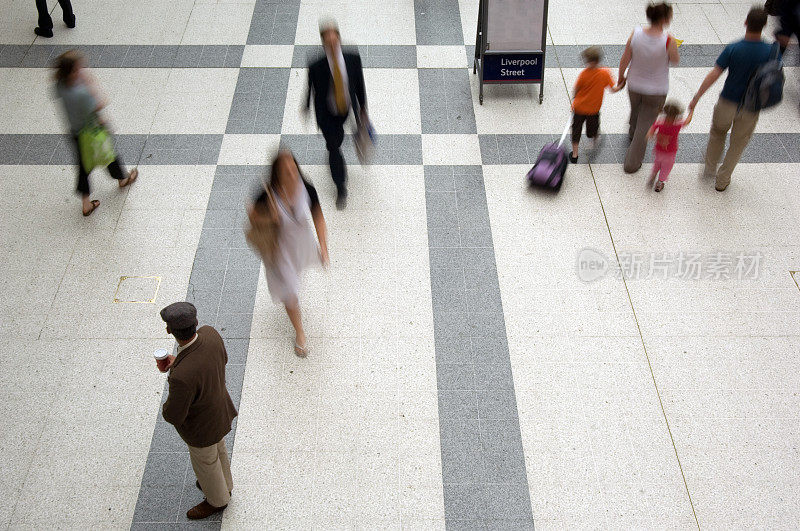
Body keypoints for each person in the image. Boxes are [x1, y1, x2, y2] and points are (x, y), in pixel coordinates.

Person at [158, 302, 237, 520]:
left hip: (201, 428)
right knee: (219, 451)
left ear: (169, 330)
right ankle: (226, 485)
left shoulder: (182, 376)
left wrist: (177, 370)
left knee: (206, 463)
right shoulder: (210, 333)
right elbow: (222, 360)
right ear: (196, 323)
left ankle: (217, 500)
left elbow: (173, 414)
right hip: (220, 409)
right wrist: (179, 364)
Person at [247, 151, 329, 357]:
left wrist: (324, 247)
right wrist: (271, 219)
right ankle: (300, 332)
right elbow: (252, 216)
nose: (292, 174)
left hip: (301, 244)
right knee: (290, 292)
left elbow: (318, 217)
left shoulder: (306, 187)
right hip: (279, 250)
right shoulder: (267, 193)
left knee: (296, 277)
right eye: (286, 171)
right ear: (277, 174)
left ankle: (294, 300)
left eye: (294, 168)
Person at [688, 7, 773, 191]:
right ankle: (722, 180)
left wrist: (697, 97)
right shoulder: (770, 51)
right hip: (751, 106)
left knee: (717, 133)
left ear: (745, 23)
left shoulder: (734, 48)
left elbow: (715, 74)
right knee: (738, 143)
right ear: (764, 26)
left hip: (727, 101)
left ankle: (709, 169)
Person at [53, 51, 138, 216]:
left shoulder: (59, 85)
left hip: (75, 132)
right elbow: (100, 104)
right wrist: (90, 82)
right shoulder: (81, 93)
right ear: (72, 72)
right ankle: (122, 179)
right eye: (79, 68)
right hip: (92, 130)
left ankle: (87, 203)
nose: (82, 70)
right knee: (109, 153)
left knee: (84, 165)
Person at [304, 21, 367, 210]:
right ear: (323, 43)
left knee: (337, 139)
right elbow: (310, 87)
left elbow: (359, 84)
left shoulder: (353, 59)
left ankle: (337, 147)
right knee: (333, 146)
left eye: (335, 40)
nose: (332, 44)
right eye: (328, 41)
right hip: (327, 113)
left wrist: (363, 108)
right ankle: (340, 185)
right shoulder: (316, 66)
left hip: (346, 108)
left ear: (339, 39)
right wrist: (305, 106)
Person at [618, 2, 680, 173]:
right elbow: (675, 60)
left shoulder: (636, 33)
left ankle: (632, 132)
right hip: (656, 90)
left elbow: (625, 58)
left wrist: (621, 77)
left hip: (634, 85)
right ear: (665, 19)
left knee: (636, 111)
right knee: (644, 126)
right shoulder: (668, 40)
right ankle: (632, 163)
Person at [569, 46, 624, 163]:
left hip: (579, 108)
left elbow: (576, 89)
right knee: (592, 129)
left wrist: (573, 101)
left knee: (576, 130)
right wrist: (621, 85)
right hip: (593, 109)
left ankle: (575, 154)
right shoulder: (605, 73)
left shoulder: (584, 74)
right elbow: (613, 89)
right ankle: (594, 142)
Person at [646, 101, 693, 192]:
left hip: (659, 149)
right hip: (671, 151)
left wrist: (652, 136)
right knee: (666, 168)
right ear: (677, 115)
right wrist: (691, 112)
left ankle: (653, 175)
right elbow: (687, 121)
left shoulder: (660, 122)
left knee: (657, 163)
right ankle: (659, 183)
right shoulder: (678, 124)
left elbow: (650, 132)